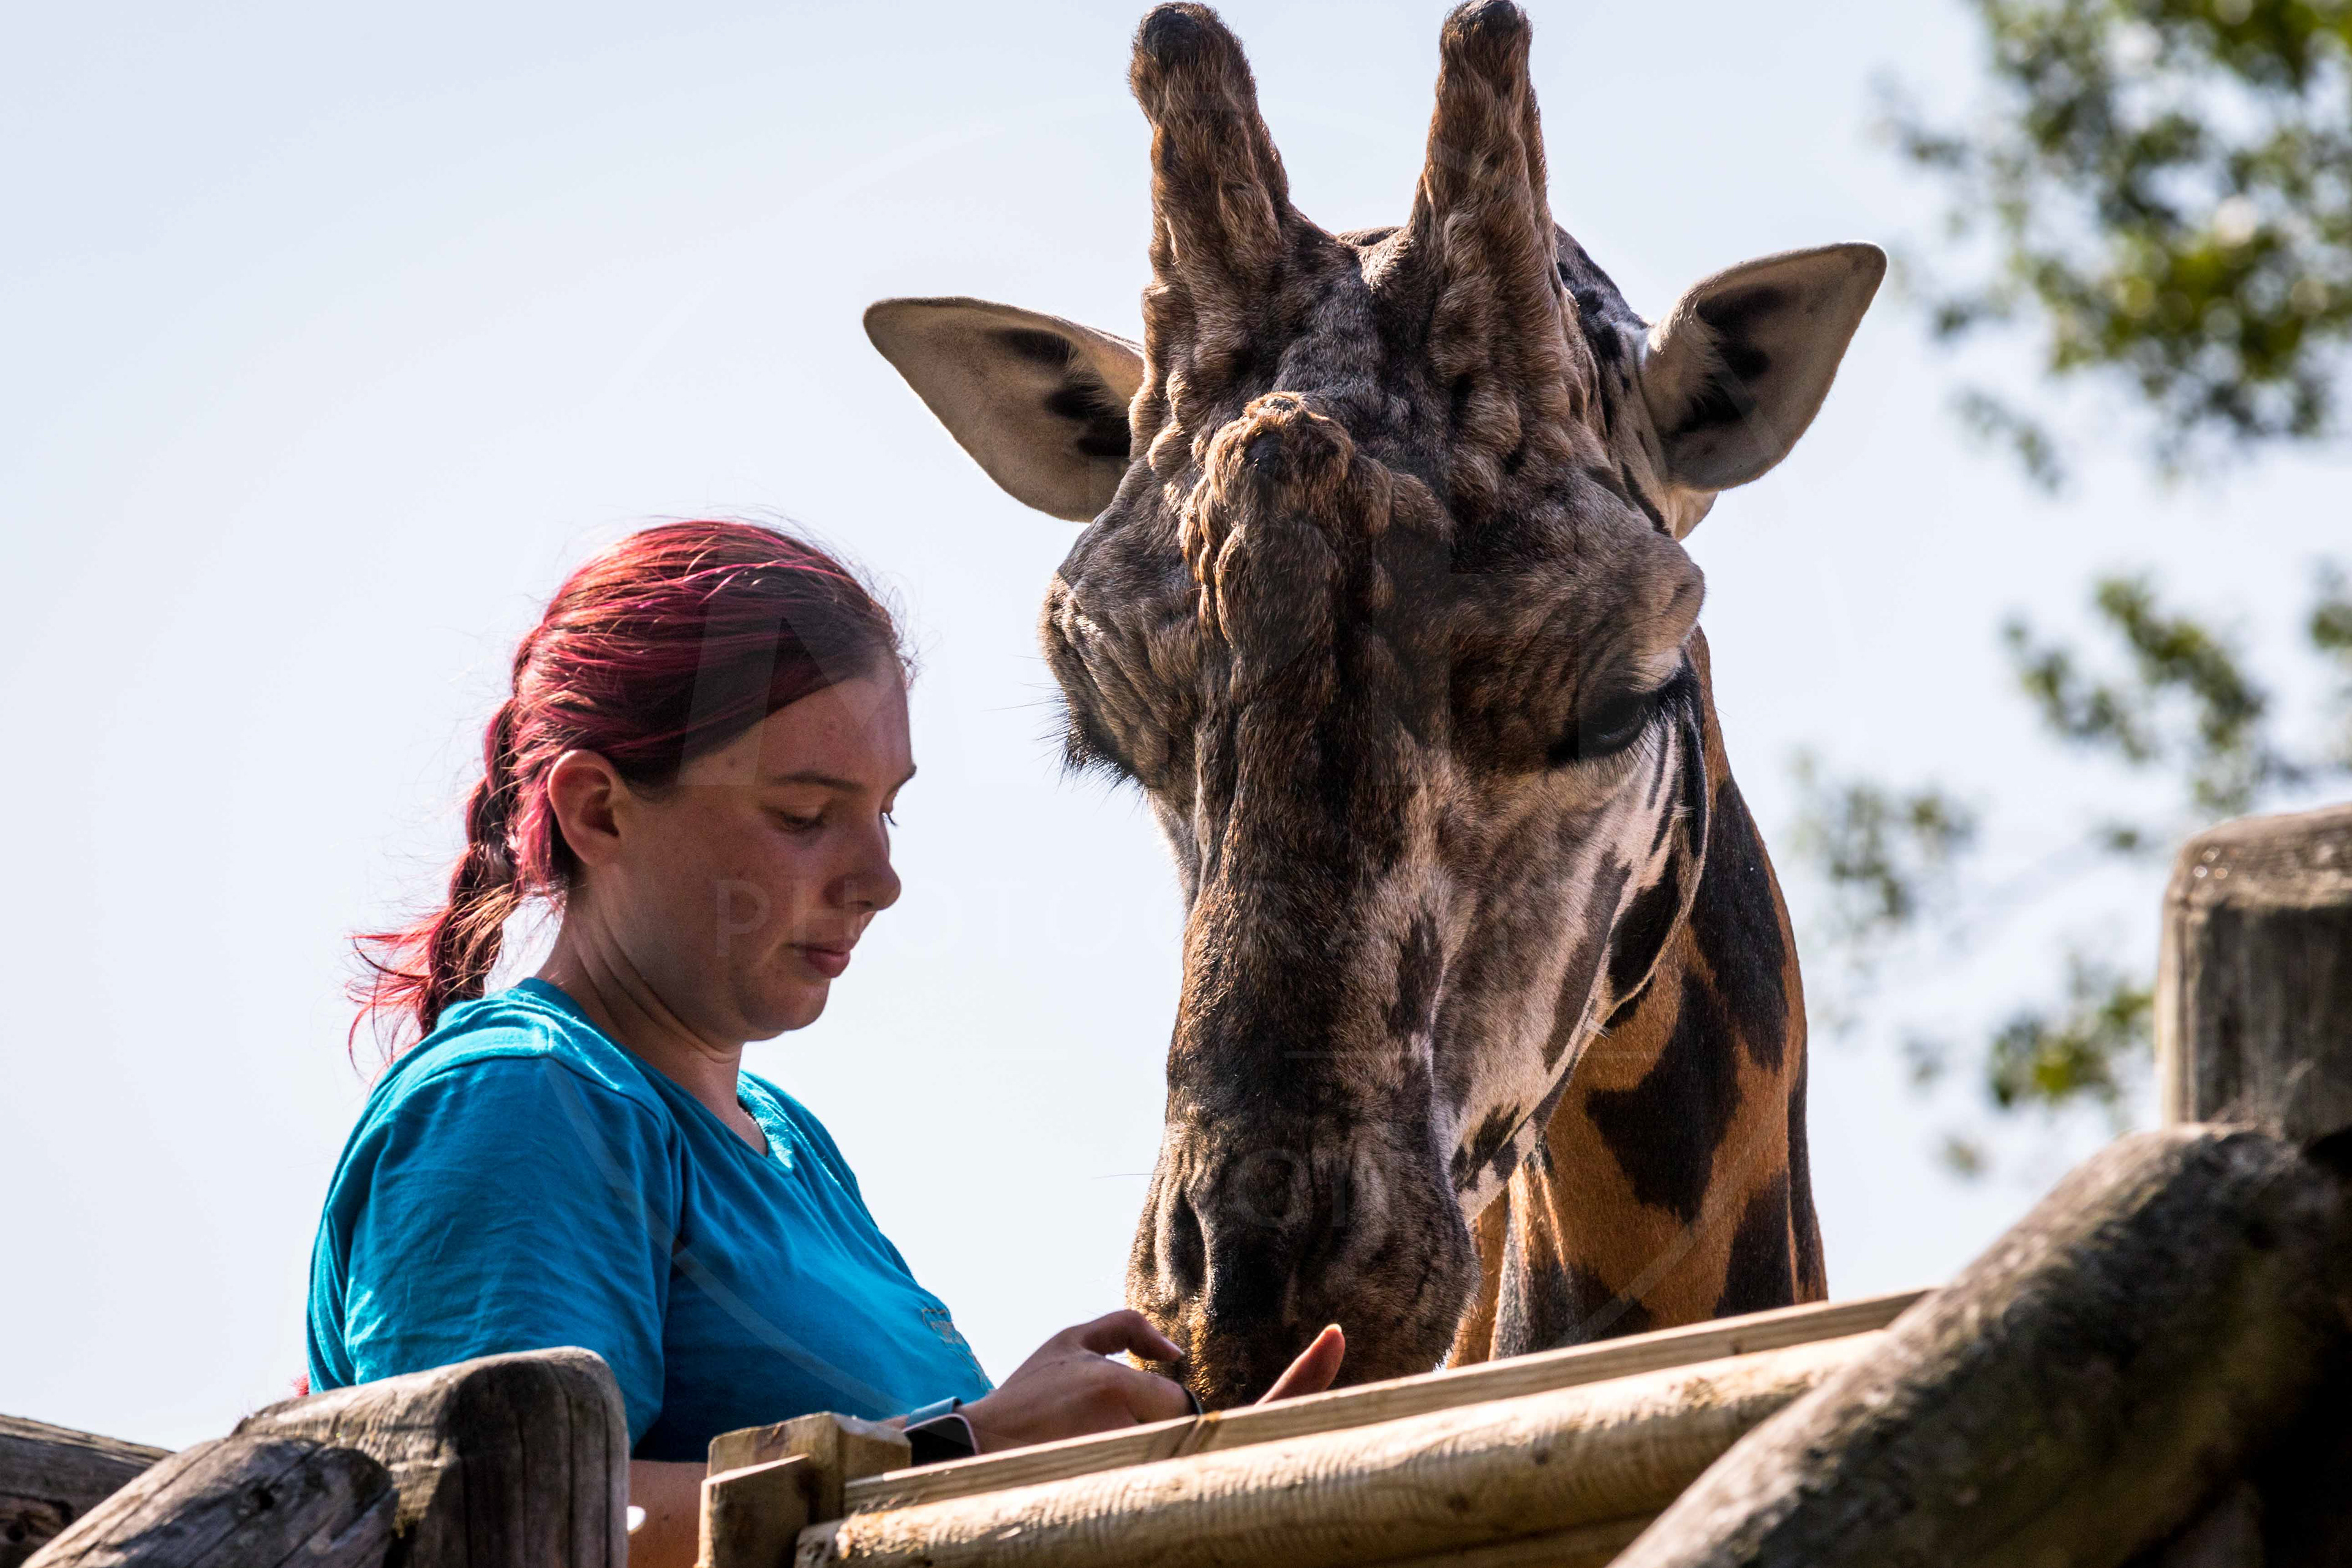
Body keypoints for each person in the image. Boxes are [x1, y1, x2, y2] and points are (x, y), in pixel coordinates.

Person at [305, 521, 1344, 1567]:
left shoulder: (792, 1148)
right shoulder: (525, 1103)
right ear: (597, 812)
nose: (879, 880)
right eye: (806, 813)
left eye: (887, 812)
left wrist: (1188, 1501)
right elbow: (484, 1524)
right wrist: (970, 1451)